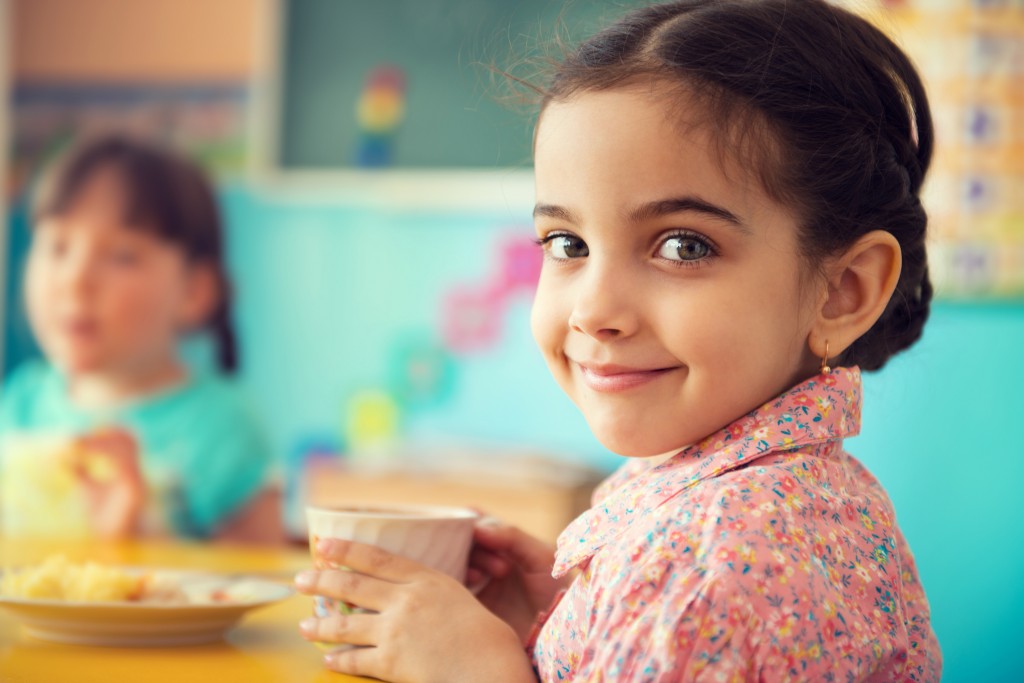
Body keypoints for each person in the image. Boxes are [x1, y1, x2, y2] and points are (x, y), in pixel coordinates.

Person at [293, 0, 942, 680]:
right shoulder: (770, 504)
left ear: (844, 290)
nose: (595, 310)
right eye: (566, 243)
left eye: (683, 245)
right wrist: (572, 621)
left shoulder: (710, 563)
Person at [0, 135, 280, 543]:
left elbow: (262, 589)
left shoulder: (223, 427)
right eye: (58, 247)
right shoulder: (21, 401)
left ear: (193, 292)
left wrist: (136, 533)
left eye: (122, 256)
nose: (75, 280)